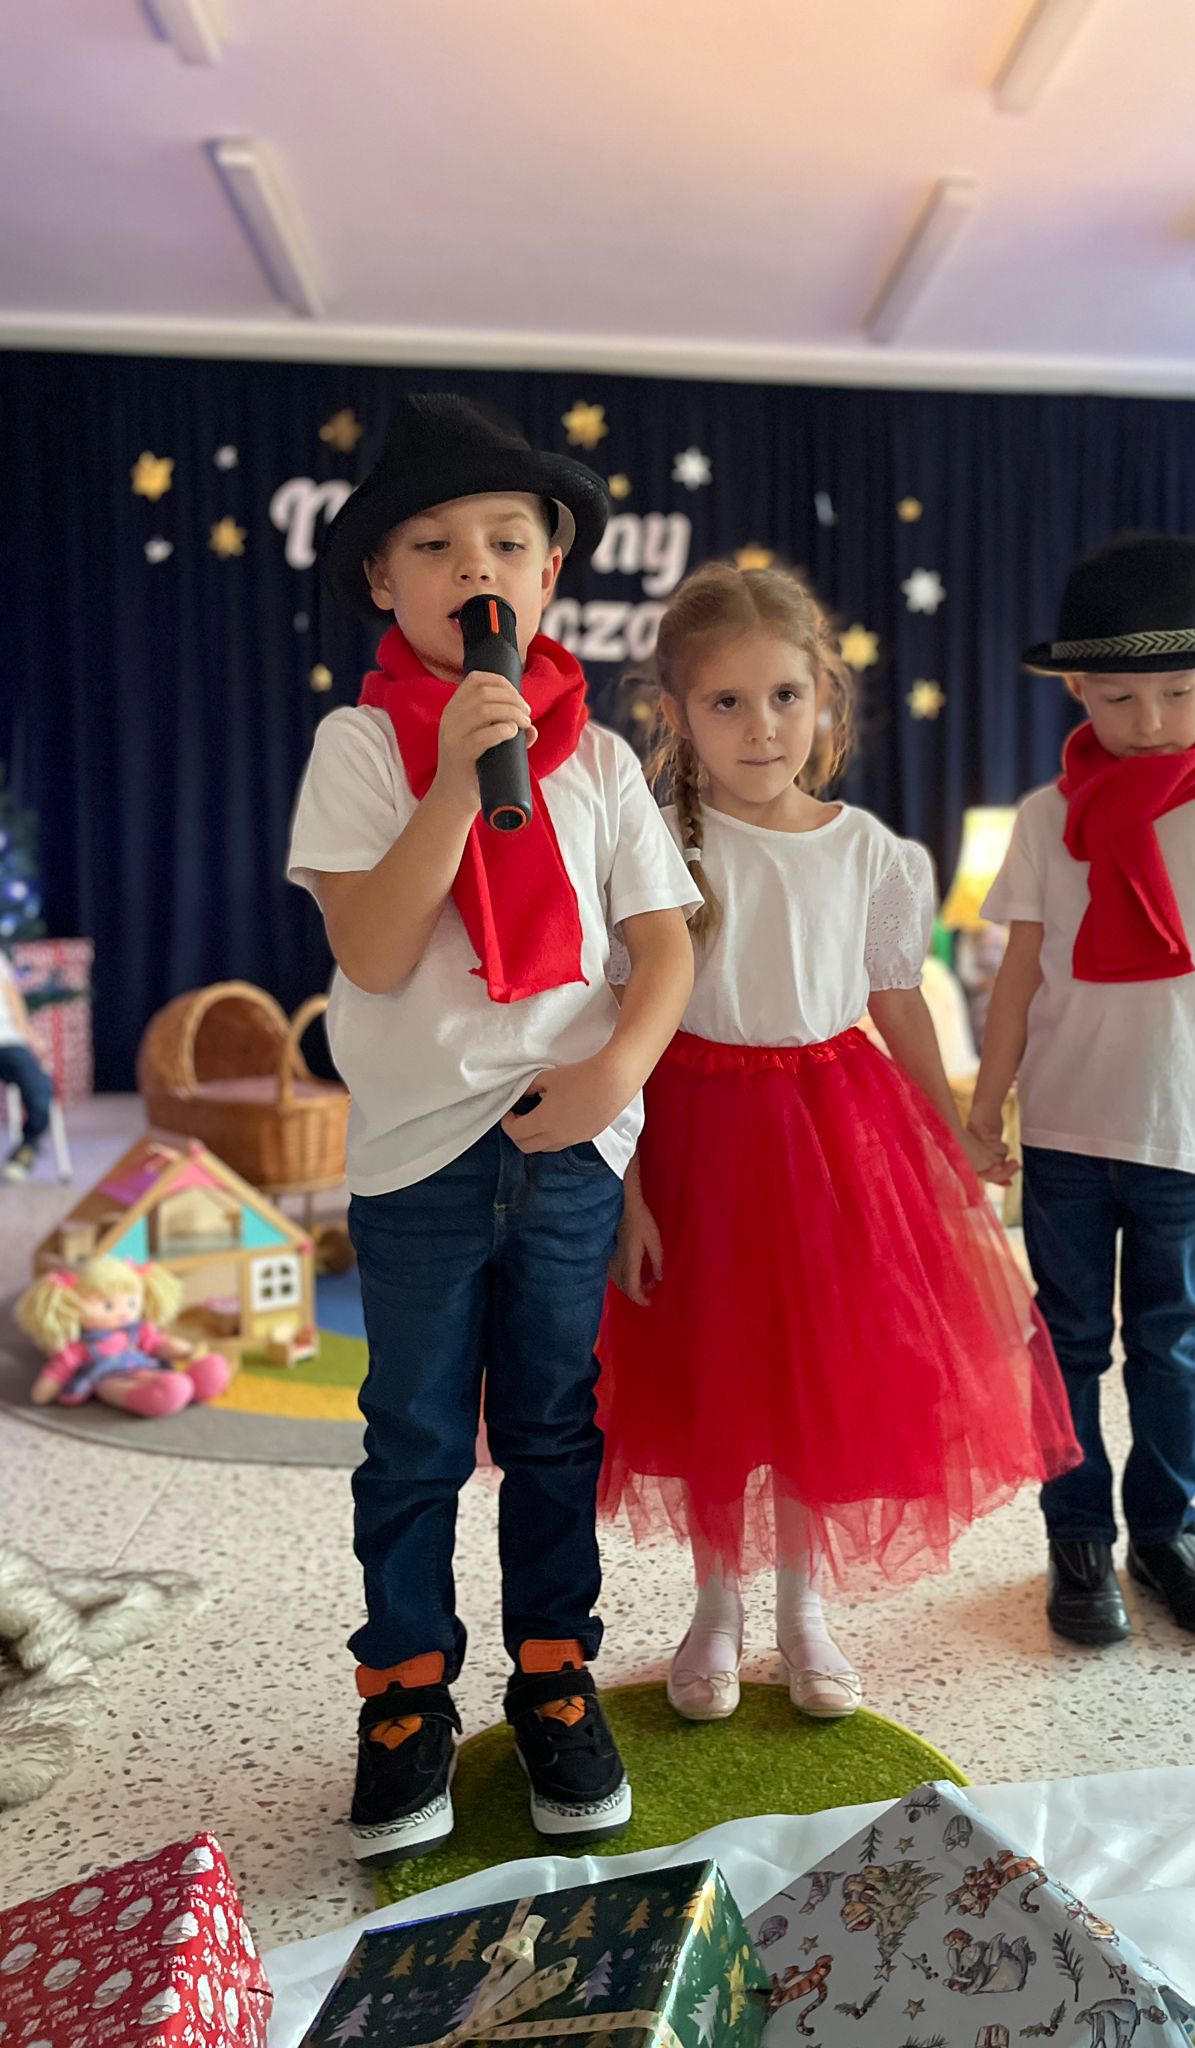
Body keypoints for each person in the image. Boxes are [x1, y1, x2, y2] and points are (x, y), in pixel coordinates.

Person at [287, 394, 698, 1864]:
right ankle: (404, 1693)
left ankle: (553, 1673)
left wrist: (615, 1076)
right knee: (411, 1434)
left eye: (509, 542)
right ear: (382, 581)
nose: (477, 565)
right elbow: (375, 948)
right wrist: (459, 778)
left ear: (550, 571)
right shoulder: (360, 745)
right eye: (435, 543)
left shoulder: (602, 760)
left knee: (551, 1425)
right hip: (419, 1157)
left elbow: (664, 946)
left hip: (568, 1147)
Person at [597, 562, 1078, 1723]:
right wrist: (628, 1193)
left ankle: (803, 1609)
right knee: (714, 1379)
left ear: (825, 698)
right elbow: (621, 1019)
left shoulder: (870, 850)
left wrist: (954, 1133)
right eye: (726, 701)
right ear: (676, 713)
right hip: (691, 1138)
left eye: (785, 696)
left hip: (830, 1137)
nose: (761, 727)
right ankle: (716, 1607)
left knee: (818, 1381)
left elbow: (897, 1003)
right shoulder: (652, 844)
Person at [970, 534, 1195, 1647]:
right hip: (1068, 1130)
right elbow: (1019, 974)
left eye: (1178, 691)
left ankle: (1167, 1534)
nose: (1151, 719)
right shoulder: (1048, 815)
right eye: (1120, 696)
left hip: (1187, 1128)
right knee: (1068, 1341)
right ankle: (1077, 1536)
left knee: (1170, 1342)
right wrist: (985, 1107)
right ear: (1076, 687)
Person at [0, 948, 53, 1182]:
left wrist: (31, 1037)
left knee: (39, 1087)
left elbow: (11, 996)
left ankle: (27, 1147)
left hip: (7, 1041)